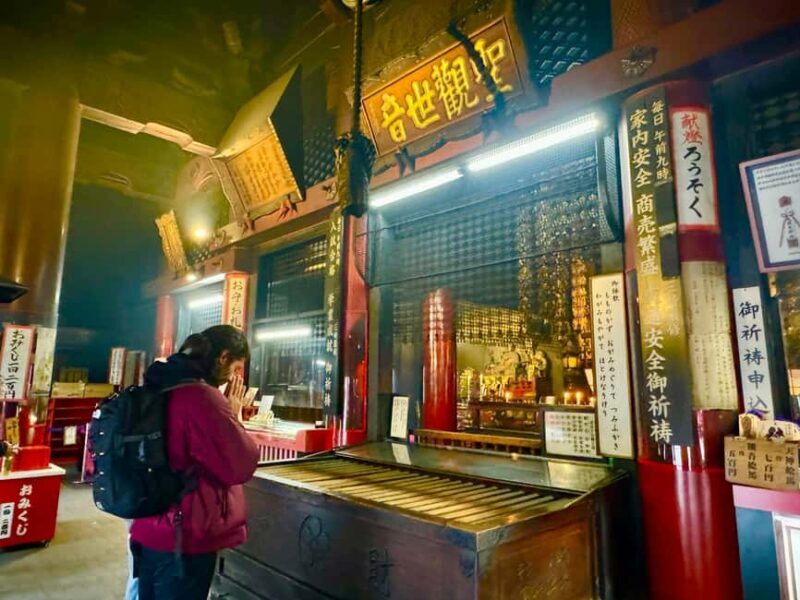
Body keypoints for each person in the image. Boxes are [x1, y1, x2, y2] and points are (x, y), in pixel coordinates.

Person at [130, 325, 260, 600]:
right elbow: (240, 464)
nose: (233, 376)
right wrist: (233, 415)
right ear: (223, 356)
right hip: (184, 534)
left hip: (148, 522)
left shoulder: (159, 386)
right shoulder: (202, 398)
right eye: (235, 367)